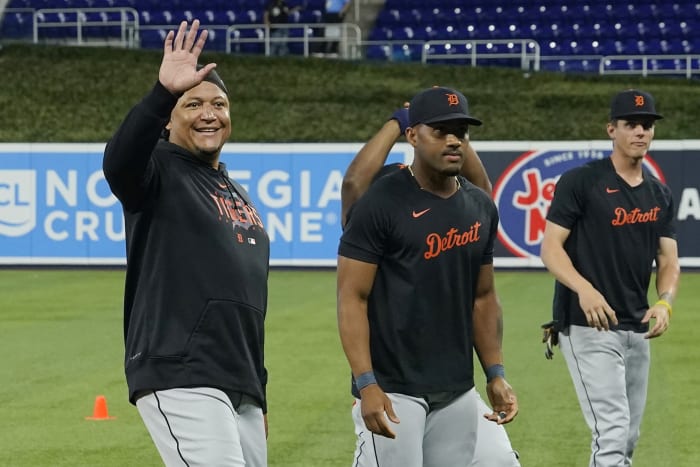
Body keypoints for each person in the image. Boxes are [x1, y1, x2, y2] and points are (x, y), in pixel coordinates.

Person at [102, 20, 269, 467]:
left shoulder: (235, 192)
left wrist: (259, 391)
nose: (208, 112)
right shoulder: (157, 169)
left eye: (218, 103)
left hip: (239, 380)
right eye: (192, 103)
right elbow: (119, 162)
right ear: (169, 121)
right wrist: (162, 93)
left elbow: (247, 300)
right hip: (180, 369)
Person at [337, 86, 518, 466]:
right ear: (413, 136)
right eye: (440, 130)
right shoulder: (380, 203)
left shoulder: (479, 207)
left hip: (456, 388)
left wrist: (495, 372)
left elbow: (483, 297)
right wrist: (367, 383)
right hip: (394, 387)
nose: (453, 140)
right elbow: (352, 297)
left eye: (461, 132)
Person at [540, 88, 680, 467]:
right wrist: (584, 289)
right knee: (613, 431)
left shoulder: (658, 193)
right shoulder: (581, 182)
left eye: (647, 125)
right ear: (611, 129)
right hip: (589, 325)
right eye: (631, 124)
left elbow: (668, 258)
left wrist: (665, 299)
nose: (640, 132)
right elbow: (551, 248)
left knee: (628, 436)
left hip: (638, 326)